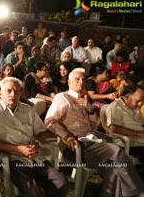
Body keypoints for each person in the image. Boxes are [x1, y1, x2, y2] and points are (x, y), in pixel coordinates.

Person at [45, 68, 144, 197]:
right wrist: (67, 136)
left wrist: (90, 110)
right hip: (75, 146)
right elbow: (50, 121)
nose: (81, 82)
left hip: (91, 142)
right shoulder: (62, 97)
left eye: (83, 79)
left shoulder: (83, 100)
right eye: (77, 79)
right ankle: (139, 193)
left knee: (114, 168)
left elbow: (94, 126)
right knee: (116, 151)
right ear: (69, 82)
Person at [0, 77, 68, 197]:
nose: (13, 94)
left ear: (20, 93)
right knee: (34, 192)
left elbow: (42, 132)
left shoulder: (27, 109)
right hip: (12, 159)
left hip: (35, 157)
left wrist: (37, 144)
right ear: (0, 93)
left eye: (17, 91)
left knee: (61, 183)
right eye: (9, 91)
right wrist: (18, 149)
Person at [106, 84, 144, 166]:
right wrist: (137, 134)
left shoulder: (135, 108)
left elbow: (142, 124)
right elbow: (113, 128)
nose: (140, 104)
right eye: (138, 101)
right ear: (127, 96)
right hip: (129, 144)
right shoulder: (115, 107)